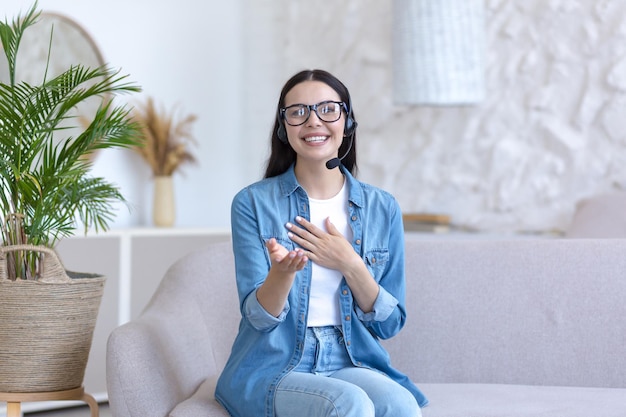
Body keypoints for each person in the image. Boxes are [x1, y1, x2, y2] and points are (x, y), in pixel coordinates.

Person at [215, 69, 428, 417]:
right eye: (298, 112)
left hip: (348, 358)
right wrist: (282, 274)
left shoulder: (382, 207)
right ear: (284, 129)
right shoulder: (252, 203)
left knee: (402, 405)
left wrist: (350, 263)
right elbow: (257, 318)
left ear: (347, 121)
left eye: (328, 109)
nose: (313, 121)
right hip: (273, 366)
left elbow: (389, 325)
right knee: (349, 403)